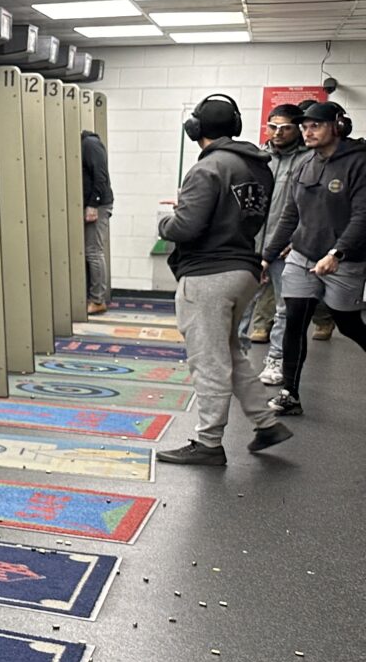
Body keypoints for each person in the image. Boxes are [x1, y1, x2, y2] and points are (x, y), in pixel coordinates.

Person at [153, 94, 289, 464]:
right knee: (230, 354)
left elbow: (186, 226)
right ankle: (266, 424)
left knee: (208, 361)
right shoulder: (260, 167)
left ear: (195, 129)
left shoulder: (207, 168)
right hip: (243, 270)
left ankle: (209, 443)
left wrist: (164, 220)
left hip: (208, 275)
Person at [265, 98, 366, 417]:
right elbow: (289, 215)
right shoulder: (304, 164)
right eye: (305, 127)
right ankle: (289, 393)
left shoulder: (358, 162)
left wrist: (338, 252)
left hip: (345, 260)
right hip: (302, 255)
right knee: (295, 320)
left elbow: (363, 215)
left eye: (316, 126)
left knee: (348, 323)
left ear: (337, 126)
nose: (308, 132)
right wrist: (266, 256)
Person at [250, 104, 332, 373]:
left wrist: (295, 240)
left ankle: (275, 361)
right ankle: (237, 358)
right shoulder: (258, 157)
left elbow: (315, 208)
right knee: (243, 302)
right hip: (255, 244)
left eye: (285, 127)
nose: (278, 133)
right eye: (273, 127)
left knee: (286, 308)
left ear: (296, 129)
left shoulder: (310, 160)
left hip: (288, 247)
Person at [81, 123, 113, 314]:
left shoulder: (90, 143)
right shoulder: (83, 144)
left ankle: (97, 300)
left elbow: (101, 176)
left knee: (93, 251)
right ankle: (93, 296)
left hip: (98, 205)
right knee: (90, 252)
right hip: (89, 204)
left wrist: (93, 204)